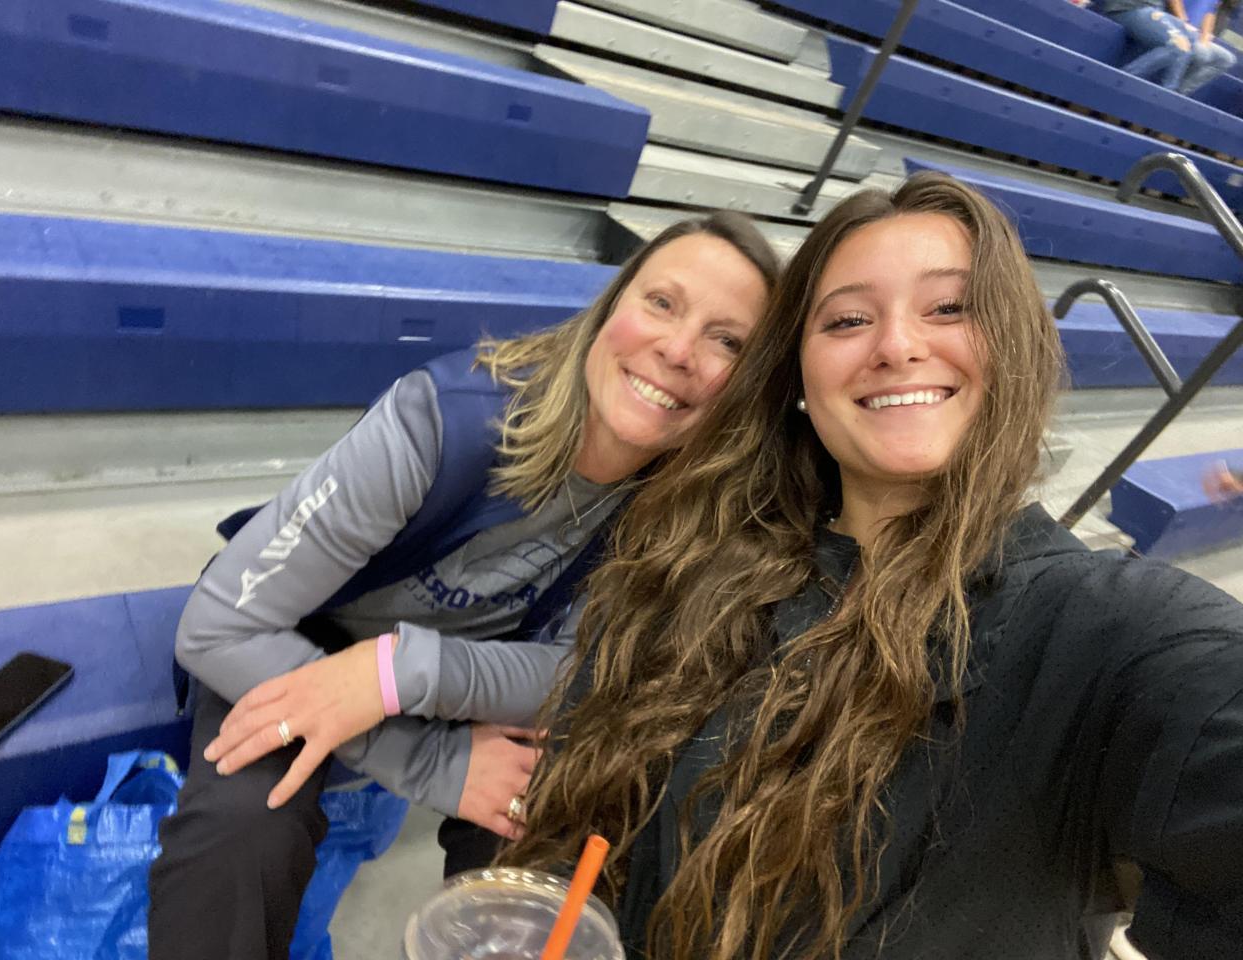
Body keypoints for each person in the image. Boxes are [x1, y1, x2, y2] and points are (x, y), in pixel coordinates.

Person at [504, 172, 1243, 960]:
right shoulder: (693, 552)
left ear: (1016, 348)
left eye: (949, 308)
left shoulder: (1102, 635)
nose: (896, 346)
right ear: (798, 376)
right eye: (849, 320)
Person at [146, 211, 778, 960]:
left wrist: (396, 674)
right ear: (611, 307)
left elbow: (577, 675)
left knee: (551, 823)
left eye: (727, 341)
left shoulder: (691, 505)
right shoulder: (448, 422)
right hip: (296, 638)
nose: (678, 350)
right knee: (245, 822)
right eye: (662, 303)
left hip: (451, 676)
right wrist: (431, 761)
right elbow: (217, 628)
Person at [1102, 0, 1196, 90]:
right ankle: (1119, 79)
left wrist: (1183, 21)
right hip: (1129, 7)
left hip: (1153, 10)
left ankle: (1167, 92)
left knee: (1191, 37)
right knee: (1178, 45)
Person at [1172, 0, 1238, 93]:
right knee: (1202, 54)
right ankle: (1171, 86)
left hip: (1194, 34)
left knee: (1227, 59)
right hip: (1174, 25)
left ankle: (1180, 91)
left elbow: (1209, 14)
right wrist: (1183, 21)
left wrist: (1205, 36)